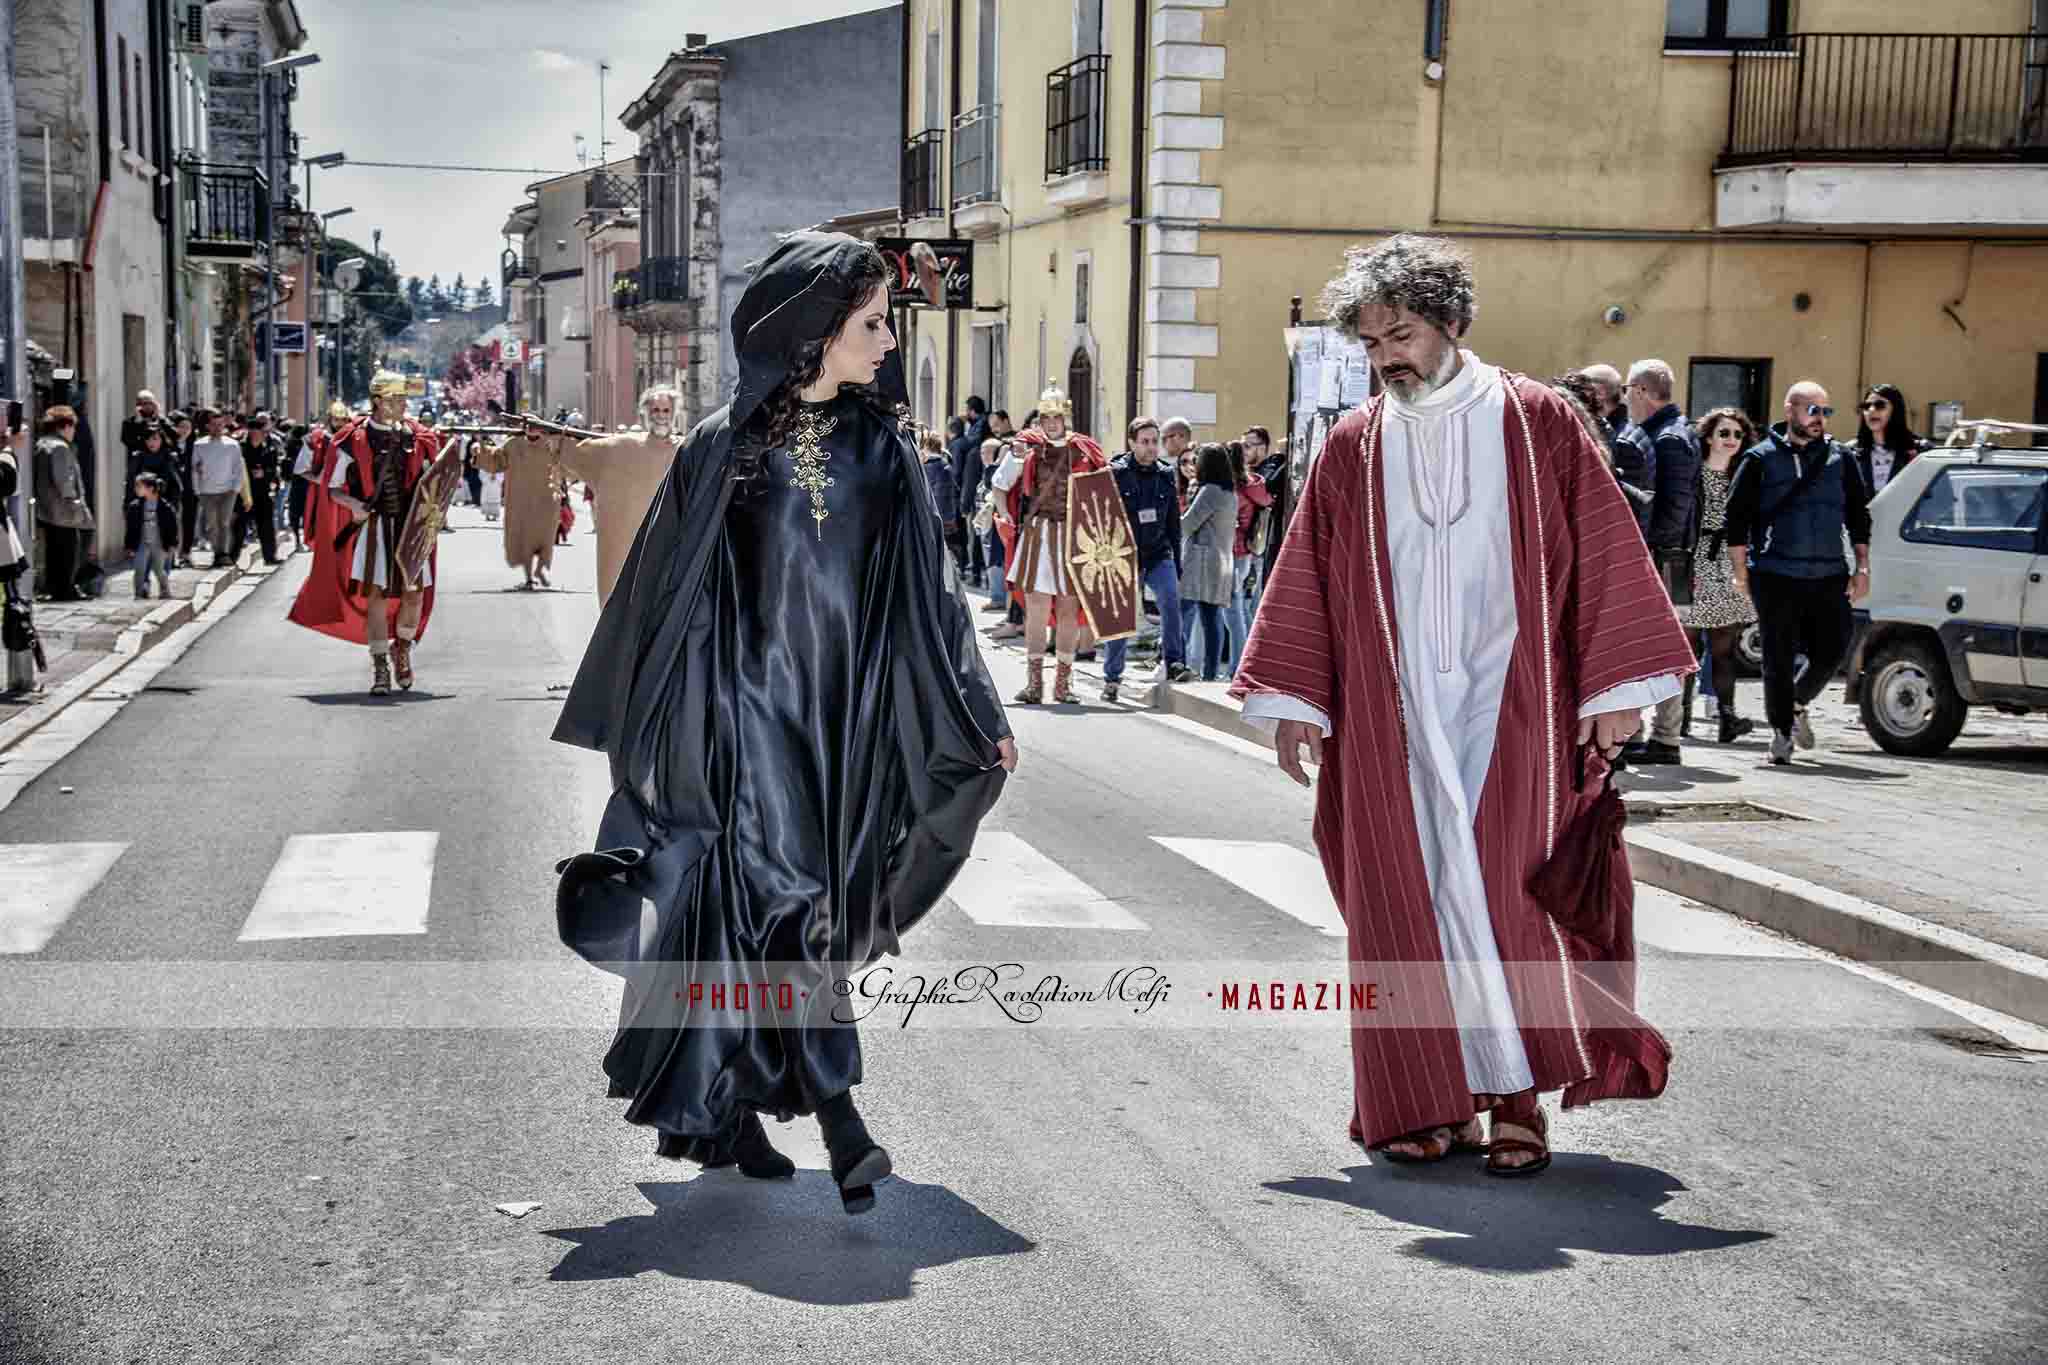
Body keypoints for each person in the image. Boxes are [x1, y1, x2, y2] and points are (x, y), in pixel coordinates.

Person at [551, 231, 1016, 1215]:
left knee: (791, 918)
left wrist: (974, 708)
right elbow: (661, 601)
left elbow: (931, 597)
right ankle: (844, 1122)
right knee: (789, 906)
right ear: (812, 337)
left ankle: (731, 1110)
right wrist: (666, 735)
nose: (887, 341)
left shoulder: (881, 445)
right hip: (744, 725)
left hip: (846, 726)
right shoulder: (723, 447)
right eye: (870, 325)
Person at [1232, 235, 1693, 1175]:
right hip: (1389, 712)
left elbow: (1606, 556)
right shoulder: (1354, 447)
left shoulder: (1538, 422)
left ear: (1451, 323)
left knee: (1509, 899)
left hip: (1515, 705)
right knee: (1399, 904)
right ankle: (1418, 1100)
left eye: (1399, 334)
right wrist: (1296, 698)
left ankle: (1517, 1100)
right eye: (1369, 342)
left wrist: (1614, 694)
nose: (1384, 357)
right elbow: (1308, 578)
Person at [1724, 381, 1872, 766]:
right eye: (1812, 410)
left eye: (1826, 412)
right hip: (1775, 573)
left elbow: (1859, 516)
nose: (1819, 419)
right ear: (1790, 411)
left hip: (1829, 573)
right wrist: (1741, 575)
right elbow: (1736, 520)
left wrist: (1863, 568)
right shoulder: (1760, 459)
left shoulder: (1842, 459)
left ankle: (1796, 702)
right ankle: (1780, 734)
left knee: (1835, 646)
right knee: (1777, 655)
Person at [289, 372, 444, 696]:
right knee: (376, 594)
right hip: (374, 526)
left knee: (413, 593)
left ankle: (401, 648)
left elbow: (439, 480)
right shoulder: (351, 439)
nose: (403, 405)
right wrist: (354, 504)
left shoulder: (418, 436)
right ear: (378, 402)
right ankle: (379, 665)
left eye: (403, 399)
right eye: (395, 400)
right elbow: (332, 488)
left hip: (410, 527)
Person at [994, 383, 1111, 705]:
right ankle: (1034, 685)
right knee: (1036, 609)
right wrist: (1004, 516)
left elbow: (1104, 494)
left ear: (1066, 418)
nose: (1050, 423)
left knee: (1069, 610)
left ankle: (1063, 684)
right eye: (1046, 418)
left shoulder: (1086, 451)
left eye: (1056, 417)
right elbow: (1000, 486)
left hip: (1074, 538)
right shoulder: (1027, 450)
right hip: (1039, 535)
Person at [1614, 359, 1700, 765]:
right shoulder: (1664, 432)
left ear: (1643, 392)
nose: (1625, 398)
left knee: (1664, 647)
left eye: (1629, 388)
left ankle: (1666, 738)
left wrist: (1649, 553)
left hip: (1666, 559)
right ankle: (1655, 735)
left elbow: (1675, 507)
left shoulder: (1668, 438)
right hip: (1670, 557)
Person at [527, 386, 683, 605]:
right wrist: (544, 431)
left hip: (666, 555)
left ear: (674, 413)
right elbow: (575, 451)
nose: (660, 415)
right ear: (645, 413)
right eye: (655, 409)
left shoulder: (685, 452)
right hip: (623, 556)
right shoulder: (621, 447)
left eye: (666, 410)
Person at [1101, 417, 1190, 701]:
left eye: (1155, 441)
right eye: (1146, 442)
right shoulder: (1116, 473)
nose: (1152, 448)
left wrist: (1177, 563)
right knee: (1121, 615)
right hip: (1125, 554)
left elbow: (1174, 523)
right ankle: (1112, 678)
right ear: (1132, 443)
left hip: (1158, 552)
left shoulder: (1166, 474)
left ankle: (1174, 661)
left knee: (1170, 598)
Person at [1687, 408, 1761, 744]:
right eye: (1724, 433)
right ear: (1708, 437)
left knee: (1723, 648)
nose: (1731, 440)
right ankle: (1678, 720)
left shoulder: (1743, 478)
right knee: (1685, 649)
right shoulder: (1693, 474)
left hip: (1724, 567)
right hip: (1691, 564)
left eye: (1737, 434)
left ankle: (1727, 718)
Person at [472, 427, 564, 590]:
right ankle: (529, 577)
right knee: (524, 540)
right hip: (520, 502)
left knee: (546, 538)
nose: (532, 431)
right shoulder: (512, 445)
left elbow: (567, 461)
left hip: (546, 501)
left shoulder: (551, 444)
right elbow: (496, 461)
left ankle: (540, 569)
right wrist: (482, 447)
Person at [1180, 443, 1238, 683]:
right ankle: (1210, 673)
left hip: (1202, 560)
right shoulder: (1229, 491)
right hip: (1221, 558)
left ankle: (1176, 662)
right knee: (1211, 618)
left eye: (1197, 461)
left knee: (1182, 612)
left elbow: (1188, 524)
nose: (1194, 465)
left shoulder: (1210, 491)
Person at [33, 406, 95, 600]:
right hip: (64, 510)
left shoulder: (42, 444)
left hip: (48, 510)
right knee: (70, 551)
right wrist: (73, 501)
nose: (74, 431)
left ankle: (56, 589)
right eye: (73, 427)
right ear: (65, 426)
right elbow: (63, 479)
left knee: (55, 552)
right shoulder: (60, 447)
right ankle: (66, 589)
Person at [1225, 439, 1273, 677]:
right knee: (1241, 608)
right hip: (1248, 551)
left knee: (1233, 611)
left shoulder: (1229, 487)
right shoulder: (1255, 484)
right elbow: (1267, 503)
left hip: (1231, 551)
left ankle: (1237, 666)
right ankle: (1242, 664)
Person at [190, 410, 243, 569]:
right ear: (208, 426)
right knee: (212, 524)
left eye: (220, 425)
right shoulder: (199, 445)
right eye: (214, 425)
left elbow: (238, 468)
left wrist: (236, 488)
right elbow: (194, 468)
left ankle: (224, 553)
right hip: (207, 491)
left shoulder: (232, 445)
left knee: (224, 522)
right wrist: (197, 490)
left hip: (228, 490)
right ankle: (217, 552)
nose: (218, 428)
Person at [1852, 383, 1926, 496]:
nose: (1871, 410)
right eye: (1866, 406)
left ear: (1895, 410)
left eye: (1879, 405)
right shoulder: (1850, 452)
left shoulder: (1921, 452)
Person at [239, 412, 284, 565]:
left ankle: (270, 556)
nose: (258, 436)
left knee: (266, 525)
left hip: (263, 491)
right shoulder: (241, 448)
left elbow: (274, 469)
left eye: (260, 433)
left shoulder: (269, 449)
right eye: (254, 433)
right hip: (244, 492)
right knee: (239, 526)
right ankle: (232, 556)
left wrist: (265, 473)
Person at [124, 473, 178, 599]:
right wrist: (129, 546)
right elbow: (130, 529)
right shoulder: (135, 507)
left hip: (158, 542)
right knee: (139, 568)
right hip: (142, 542)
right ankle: (138, 593)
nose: (136, 489)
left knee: (159, 570)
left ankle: (164, 590)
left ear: (151, 488)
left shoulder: (165, 507)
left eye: (139, 486)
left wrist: (172, 544)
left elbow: (172, 528)